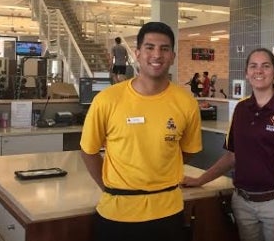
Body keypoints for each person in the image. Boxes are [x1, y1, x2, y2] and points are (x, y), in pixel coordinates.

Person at [80, 22, 202, 241]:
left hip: (169, 213)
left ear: (173, 56)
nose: (157, 54)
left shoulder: (186, 102)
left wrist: (161, 169)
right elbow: (88, 151)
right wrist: (110, 187)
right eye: (149, 47)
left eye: (164, 49)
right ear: (137, 53)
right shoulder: (107, 100)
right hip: (117, 213)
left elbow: (188, 151)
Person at [182, 48, 274, 241]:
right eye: (253, 66)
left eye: (265, 66)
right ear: (246, 73)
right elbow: (232, 156)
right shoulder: (242, 108)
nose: (259, 71)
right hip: (242, 203)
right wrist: (200, 180)